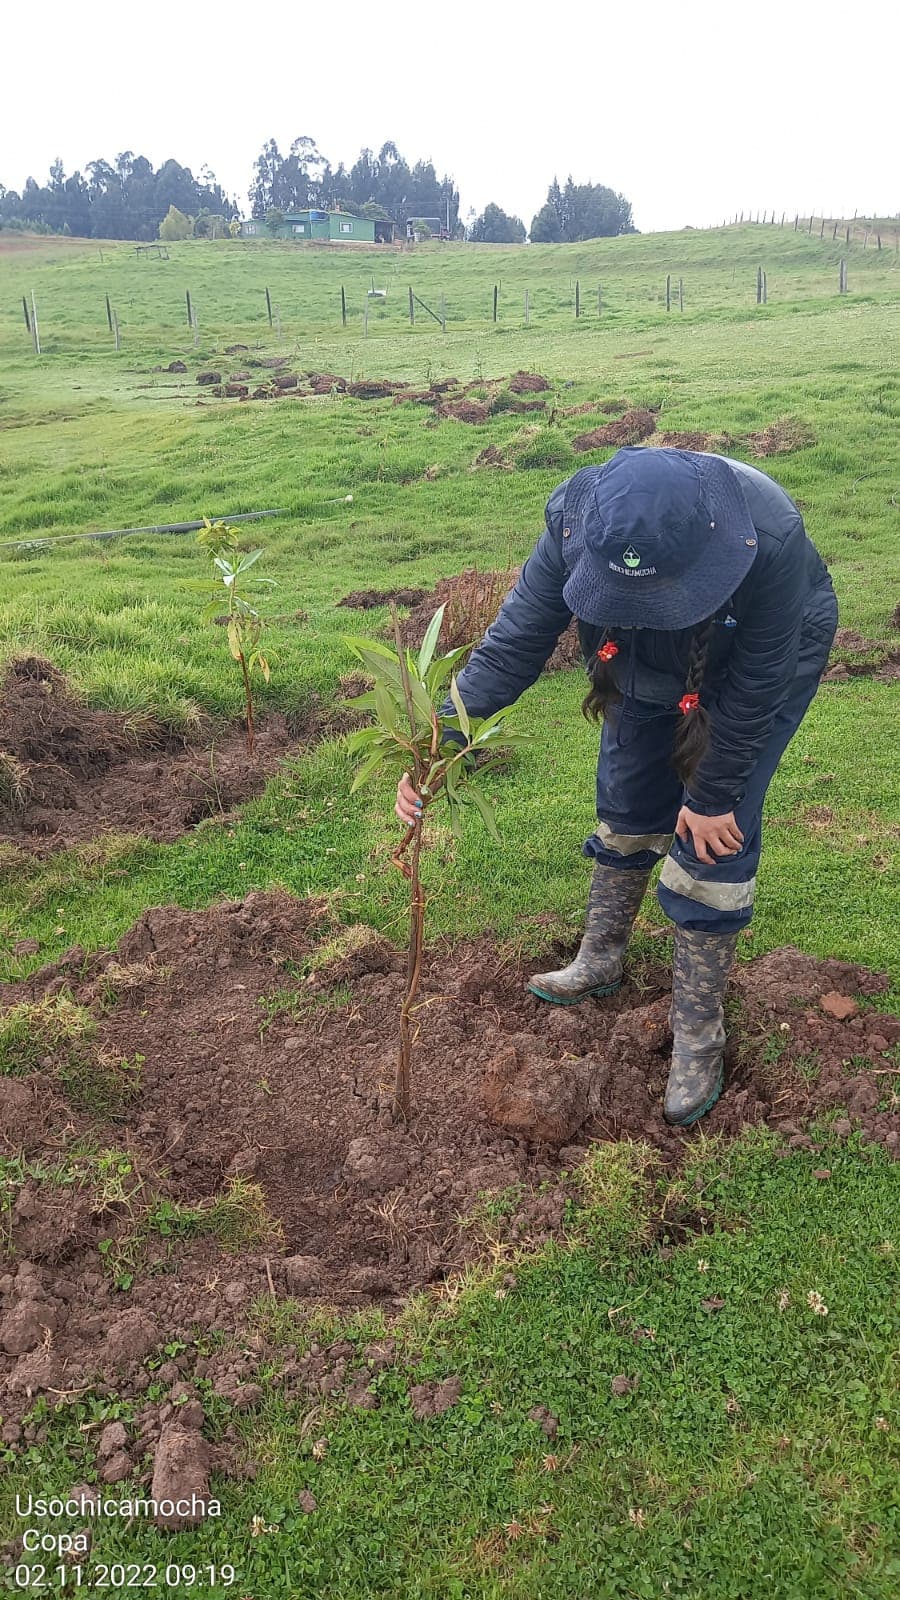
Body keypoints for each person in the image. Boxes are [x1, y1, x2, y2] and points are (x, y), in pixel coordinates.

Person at [395, 447, 838, 1127]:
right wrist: (438, 746)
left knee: (713, 834)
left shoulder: (768, 539)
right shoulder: (578, 523)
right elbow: (516, 641)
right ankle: (601, 956)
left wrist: (714, 792)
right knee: (629, 788)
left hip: (756, 659)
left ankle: (697, 1031)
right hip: (636, 659)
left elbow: (754, 689)